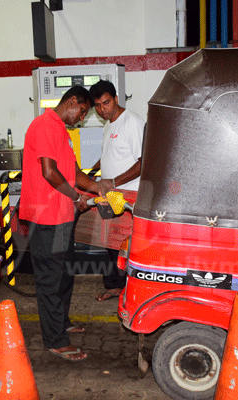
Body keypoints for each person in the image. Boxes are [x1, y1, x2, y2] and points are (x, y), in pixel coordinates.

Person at [19, 85, 101, 362]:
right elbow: (49, 172)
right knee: (50, 280)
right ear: (73, 101)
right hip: (47, 219)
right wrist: (77, 197)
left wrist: (97, 188)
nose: (82, 117)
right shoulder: (43, 125)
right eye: (83, 111)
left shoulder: (63, 133)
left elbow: (73, 172)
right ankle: (55, 340)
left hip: (63, 217)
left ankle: (61, 322)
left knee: (64, 274)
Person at [89, 80, 144, 302]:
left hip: (129, 194)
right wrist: (92, 173)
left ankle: (132, 289)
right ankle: (115, 287)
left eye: (107, 103)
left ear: (116, 99)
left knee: (126, 244)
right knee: (110, 243)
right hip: (111, 195)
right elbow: (109, 155)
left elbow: (143, 162)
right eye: (98, 106)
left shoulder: (132, 122)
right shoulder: (108, 125)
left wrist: (114, 181)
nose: (103, 110)